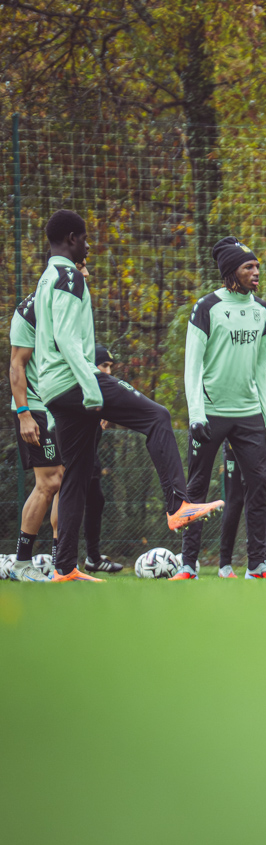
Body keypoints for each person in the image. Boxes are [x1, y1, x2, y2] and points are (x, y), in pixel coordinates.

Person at [33, 210, 222, 581]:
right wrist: (91, 390)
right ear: (72, 239)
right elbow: (66, 339)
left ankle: (64, 567)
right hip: (75, 382)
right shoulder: (69, 276)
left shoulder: (46, 278)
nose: (88, 247)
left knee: (76, 474)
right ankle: (178, 505)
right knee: (157, 416)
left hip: (52, 389)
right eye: (85, 239)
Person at [172, 237, 266, 580]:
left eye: (257, 266)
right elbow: (192, 367)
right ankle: (188, 565)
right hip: (210, 413)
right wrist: (196, 414)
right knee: (196, 489)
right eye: (249, 267)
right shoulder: (206, 307)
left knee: (259, 486)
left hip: (249, 414)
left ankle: (257, 565)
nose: (256, 272)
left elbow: (262, 368)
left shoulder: (261, 309)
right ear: (230, 272)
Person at [217, 346, 266, 577]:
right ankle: (224, 564)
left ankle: (265, 559)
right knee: (236, 499)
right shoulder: (234, 351)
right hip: (239, 432)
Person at [8, 292, 62, 581]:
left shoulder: (71, 303)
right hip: (36, 406)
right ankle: (22, 563)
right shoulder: (31, 309)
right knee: (49, 481)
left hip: (61, 404)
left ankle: (61, 563)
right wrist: (23, 413)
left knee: (65, 480)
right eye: (81, 269)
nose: (86, 273)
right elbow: (17, 363)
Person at [81, 343, 124, 574]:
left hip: (90, 459)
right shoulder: (78, 390)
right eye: (103, 365)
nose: (108, 371)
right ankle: (63, 559)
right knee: (63, 501)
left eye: (110, 367)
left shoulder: (102, 397)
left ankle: (93, 558)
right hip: (72, 459)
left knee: (96, 500)